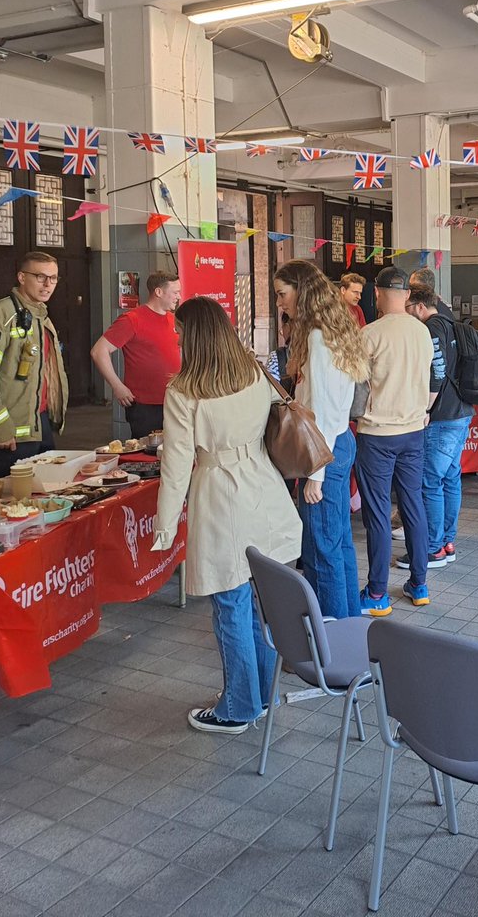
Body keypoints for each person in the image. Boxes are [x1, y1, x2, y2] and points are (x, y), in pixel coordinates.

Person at [152, 296, 302, 734]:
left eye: (179, 330)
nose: (176, 336)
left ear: (193, 336)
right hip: (265, 490)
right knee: (258, 600)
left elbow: (176, 468)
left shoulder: (183, 391)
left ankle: (239, 706)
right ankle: (261, 694)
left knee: (230, 604)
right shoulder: (253, 371)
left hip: (220, 497)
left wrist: (164, 525)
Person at [274, 261, 369, 618]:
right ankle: (347, 624)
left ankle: (332, 637)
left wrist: (315, 474)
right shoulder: (327, 329)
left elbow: (326, 411)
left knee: (322, 548)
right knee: (337, 542)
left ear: (302, 290)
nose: (281, 303)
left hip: (324, 449)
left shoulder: (318, 336)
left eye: (283, 294)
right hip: (334, 443)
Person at [356, 266, 434, 614]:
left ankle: (377, 594)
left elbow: (355, 384)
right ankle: (419, 585)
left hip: (376, 435)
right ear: (406, 295)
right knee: (413, 505)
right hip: (414, 432)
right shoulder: (422, 332)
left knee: (377, 515)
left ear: (376, 293)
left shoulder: (368, 334)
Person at [399, 285, 473, 566]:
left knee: (430, 481)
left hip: (442, 416)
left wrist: (426, 408)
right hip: (462, 410)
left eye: (408, 309)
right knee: (450, 478)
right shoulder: (452, 324)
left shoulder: (431, 329)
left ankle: (432, 548)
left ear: (418, 306)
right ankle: (447, 541)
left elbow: (437, 372)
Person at [0, 251, 68, 478]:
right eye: (40, 276)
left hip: (40, 424)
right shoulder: (3, 312)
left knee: (44, 497)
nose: (48, 284)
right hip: (11, 433)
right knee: (11, 505)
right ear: (21, 277)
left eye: (54, 278)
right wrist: (0, 426)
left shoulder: (41, 316)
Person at [90, 270, 181, 438]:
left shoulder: (173, 320)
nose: (178, 296)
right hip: (145, 405)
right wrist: (117, 386)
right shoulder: (132, 320)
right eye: (175, 292)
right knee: (147, 454)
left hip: (174, 401)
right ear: (159, 292)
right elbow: (98, 351)